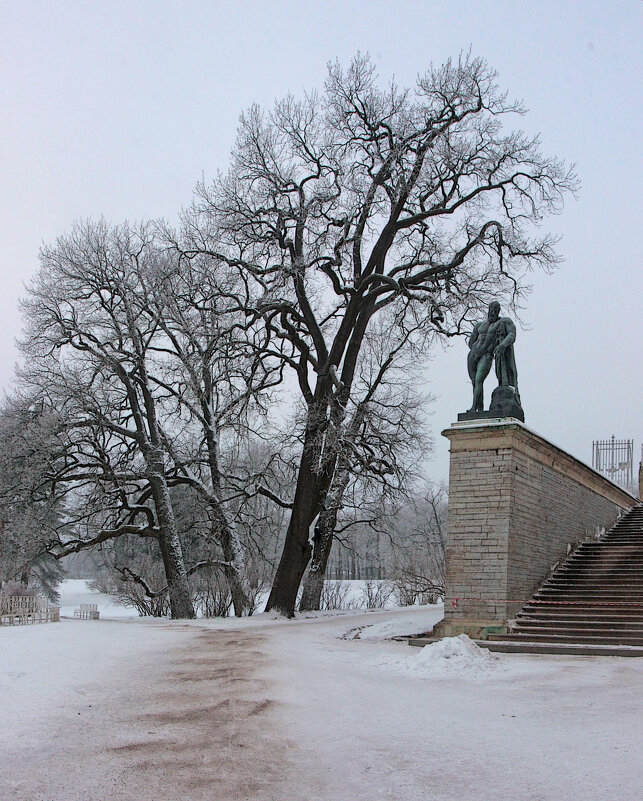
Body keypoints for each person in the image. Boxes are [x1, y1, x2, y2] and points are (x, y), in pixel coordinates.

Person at [467, 301, 520, 412]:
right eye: (492, 310)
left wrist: (502, 345)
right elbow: (472, 340)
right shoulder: (480, 325)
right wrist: (474, 347)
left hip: (487, 355)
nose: (493, 312)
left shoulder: (504, 321)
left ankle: (473, 408)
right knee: (473, 381)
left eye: (495, 310)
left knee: (478, 380)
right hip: (473, 354)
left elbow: (512, 335)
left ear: (498, 311)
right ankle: (479, 408)